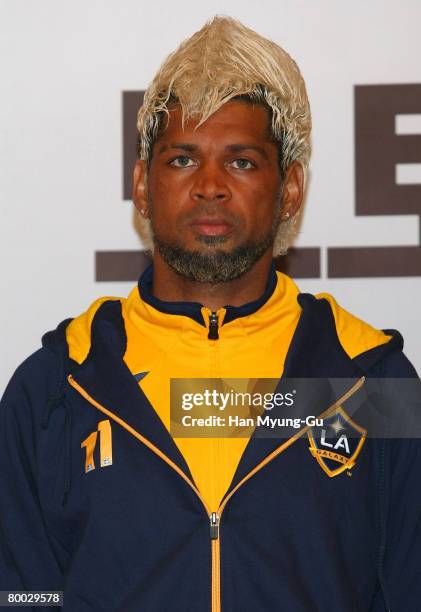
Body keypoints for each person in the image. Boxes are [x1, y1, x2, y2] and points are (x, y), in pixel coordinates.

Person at [0, 15, 420, 612]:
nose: (211, 186)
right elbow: (23, 596)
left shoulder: (372, 382)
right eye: (182, 160)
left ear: (291, 189)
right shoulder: (56, 388)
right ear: (143, 186)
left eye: (243, 161)